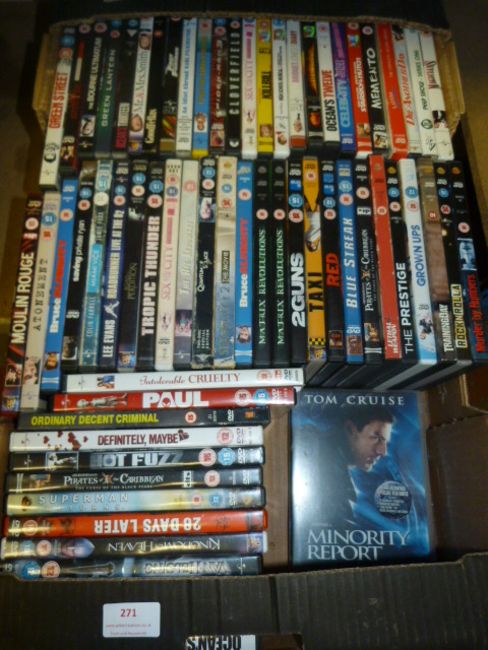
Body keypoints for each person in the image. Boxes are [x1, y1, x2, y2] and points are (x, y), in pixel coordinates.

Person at [309, 406, 394, 528]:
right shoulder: (316, 456)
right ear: (350, 430)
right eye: (376, 438)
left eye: (385, 442)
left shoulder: (332, 463)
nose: (383, 451)